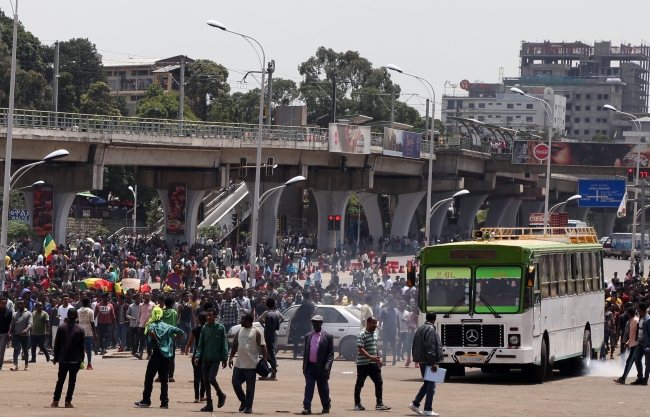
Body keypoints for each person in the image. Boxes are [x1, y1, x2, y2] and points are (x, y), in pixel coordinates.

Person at [135, 306, 184, 409]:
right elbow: (181, 332)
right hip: (167, 356)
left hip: (157, 354)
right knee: (164, 380)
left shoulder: (152, 325)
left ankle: (146, 400)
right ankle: (164, 402)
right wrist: (171, 340)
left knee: (149, 378)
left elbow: (151, 332)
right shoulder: (167, 326)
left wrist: (157, 341)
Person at [229, 312, 268, 414]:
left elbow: (263, 346)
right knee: (235, 383)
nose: (240, 321)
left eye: (242, 319)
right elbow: (235, 345)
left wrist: (265, 360)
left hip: (251, 365)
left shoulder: (256, 331)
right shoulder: (240, 331)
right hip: (239, 364)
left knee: (250, 388)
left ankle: (249, 407)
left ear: (247, 321)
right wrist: (231, 357)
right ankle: (243, 400)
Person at [409, 311, 443, 416]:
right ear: (434, 319)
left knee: (427, 384)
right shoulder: (431, 329)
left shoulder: (420, 328)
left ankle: (415, 403)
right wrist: (433, 362)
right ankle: (428, 409)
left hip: (422, 359)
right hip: (428, 361)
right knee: (431, 386)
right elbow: (430, 346)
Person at [194, 308, 228, 412]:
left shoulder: (220, 328)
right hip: (205, 358)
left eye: (210, 316)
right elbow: (201, 344)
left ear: (215, 316)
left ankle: (221, 394)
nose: (208, 317)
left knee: (211, 379)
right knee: (206, 382)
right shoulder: (204, 327)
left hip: (215, 358)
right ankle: (209, 404)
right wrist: (197, 355)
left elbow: (224, 344)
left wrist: (224, 358)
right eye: (207, 316)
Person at [51, 308, 85, 408]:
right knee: (72, 382)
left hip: (63, 359)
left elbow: (57, 344)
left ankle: (55, 401)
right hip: (75, 359)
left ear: (67, 315)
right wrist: (82, 360)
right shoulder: (80, 329)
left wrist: (55, 357)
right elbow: (81, 346)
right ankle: (68, 401)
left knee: (60, 380)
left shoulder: (61, 327)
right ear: (76, 317)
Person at [354, 316, 390, 411]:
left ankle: (379, 403)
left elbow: (375, 346)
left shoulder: (375, 333)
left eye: (376, 323)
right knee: (360, 383)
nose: (375, 325)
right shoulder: (362, 334)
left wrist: (378, 359)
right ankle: (357, 403)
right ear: (368, 323)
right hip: (363, 364)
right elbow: (361, 348)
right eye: (373, 323)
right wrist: (371, 358)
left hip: (374, 364)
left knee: (379, 382)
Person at [301, 315, 333, 415]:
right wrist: (304, 367)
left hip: (322, 367)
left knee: (323, 388)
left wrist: (328, 366)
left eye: (317, 322)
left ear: (321, 323)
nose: (315, 324)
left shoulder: (328, 336)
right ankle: (307, 407)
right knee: (309, 387)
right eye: (313, 322)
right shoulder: (308, 336)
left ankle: (326, 405)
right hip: (310, 366)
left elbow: (331, 354)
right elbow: (306, 352)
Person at [615, 307, 640, 384]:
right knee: (636, 362)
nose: (626, 314)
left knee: (629, 361)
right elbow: (632, 335)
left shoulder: (636, 321)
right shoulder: (631, 321)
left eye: (627, 312)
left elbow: (638, 334)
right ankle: (641, 377)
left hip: (636, 345)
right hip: (632, 344)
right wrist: (628, 342)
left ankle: (623, 378)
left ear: (629, 313)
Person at [185, 312, 207, 403]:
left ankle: (196, 397)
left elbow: (190, 340)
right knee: (204, 377)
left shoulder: (195, 329)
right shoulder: (208, 329)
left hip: (196, 354)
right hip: (205, 355)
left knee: (196, 377)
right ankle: (202, 396)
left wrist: (187, 348)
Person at [259, 298, 282, 380]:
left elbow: (268, 329)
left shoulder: (268, 315)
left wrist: (266, 340)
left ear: (267, 305)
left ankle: (272, 374)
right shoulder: (276, 314)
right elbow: (277, 327)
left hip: (268, 338)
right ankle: (268, 374)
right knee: (270, 356)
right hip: (273, 336)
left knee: (270, 356)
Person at [290, 291, 315, 360]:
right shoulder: (311, 305)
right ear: (309, 296)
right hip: (307, 324)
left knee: (296, 339)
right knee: (307, 340)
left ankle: (295, 354)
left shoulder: (299, 303)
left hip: (299, 324)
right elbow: (313, 314)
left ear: (303, 296)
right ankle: (306, 354)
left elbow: (296, 313)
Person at [9, 299, 32, 371]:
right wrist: (9, 332)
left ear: (24, 305)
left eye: (22, 304)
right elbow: (12, 324)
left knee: (25, 350)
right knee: (16, 349)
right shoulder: (15, 314)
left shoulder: (28, 313)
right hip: (16, 334)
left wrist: (26, 330)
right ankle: (15, 365)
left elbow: (30, 324)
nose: (20, 305)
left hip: (25, 335)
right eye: (19, 304)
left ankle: (26, 365)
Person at [378, 297, 400, 366]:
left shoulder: (396, 310)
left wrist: (399, 330)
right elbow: (380, 320)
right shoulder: (384, 310)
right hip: (386, 331)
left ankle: (394, 360)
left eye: (396, 302)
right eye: (394, 302)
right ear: (390, 302)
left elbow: (398, 321)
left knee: (394, 346)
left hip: (393, 331)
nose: (395, 304)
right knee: (385, 345)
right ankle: (384, 360)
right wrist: (380, 329)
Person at [77, 298, 97, 370]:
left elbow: (77, 322)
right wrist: (95, 334)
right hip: (88, 332)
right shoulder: (91, 311)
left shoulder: (78, 311)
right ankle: (89, 364)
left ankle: (81, 363)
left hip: (80, 332)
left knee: (81, 348)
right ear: (88, 303)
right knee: (89, 348)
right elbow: (92, 323)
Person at [0, 296, 13, 370]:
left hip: (4, 334)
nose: (3, 305)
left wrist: (9, 333)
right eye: (1, 303)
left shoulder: (9, 312)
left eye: (4, 303)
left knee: (1, 350)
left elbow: (10, 324)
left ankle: (0, 364)